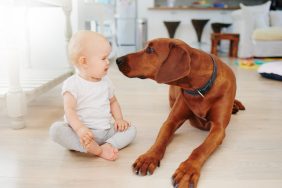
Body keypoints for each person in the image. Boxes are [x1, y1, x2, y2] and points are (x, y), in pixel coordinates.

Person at [49, 31, 136, 161]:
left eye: (108, 57)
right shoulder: (72, 84)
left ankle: (107, 145)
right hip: (81, 134)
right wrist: (80, 130)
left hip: (105, 131)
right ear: (84, 62)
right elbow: (69, 111)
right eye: (103, 58)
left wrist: (119, 119)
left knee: (131, 130)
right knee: (56, 130)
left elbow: (113, 102)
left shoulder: (106, 82)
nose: (108, 62)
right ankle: (94, 148)